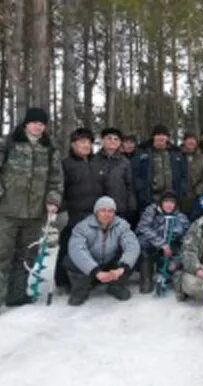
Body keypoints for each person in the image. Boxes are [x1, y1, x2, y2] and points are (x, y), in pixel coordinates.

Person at [0, 107, 63, 320]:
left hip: (34, 214)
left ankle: (16, 294)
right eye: (34, 122)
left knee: (26, 256)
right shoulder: (5, 144)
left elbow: (56, 180)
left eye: (42, 124)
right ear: (26, 123)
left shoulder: (50, 149)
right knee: (0, 257)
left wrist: (53, 200)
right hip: (6, 212)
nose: (38, 126)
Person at [65, 196, 140, 306]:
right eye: (103, 210)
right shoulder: (82, 227)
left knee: (132, 258)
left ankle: (115, 285)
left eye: (110, 211)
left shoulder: (122, 225)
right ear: (96, 212)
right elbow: (77, 250)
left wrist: (122, 268)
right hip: (91, 264)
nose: (107, 214)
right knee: (72, 260)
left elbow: (132, 245)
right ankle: (81, 290)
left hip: (109, 262)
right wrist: (96, 271)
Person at [55, 127, 103, 291]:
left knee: (89, 248)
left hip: (93, 214)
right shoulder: (65, 164)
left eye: (89, 142)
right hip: (73, 214)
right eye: (82, 142)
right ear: (73, 144)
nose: (86, 145)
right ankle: (63, 280)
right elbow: (58, 189)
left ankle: (88, 278)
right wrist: (62, 212)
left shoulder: (95, 163)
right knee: (68, 247)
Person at [136, 192, 190, 294]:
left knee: (177, 261)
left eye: (172, 202)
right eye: (166, 201)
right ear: (161, 202)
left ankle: (166, 273)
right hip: (153, 246)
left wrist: (179, 252)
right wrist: (162, 244)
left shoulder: (181, 217)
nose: (169, 205)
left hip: (171, 248)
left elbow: (187, 235)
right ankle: (146, 279)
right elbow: (143, 227)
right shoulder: (151, 211)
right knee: (143, 247)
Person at [132, 124, 188, 215]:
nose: (161, 137)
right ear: (153, 136)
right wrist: (141, 191)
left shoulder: (176, 153)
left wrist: (181, 190)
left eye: (164, 135)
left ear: (167, 138)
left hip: (172, 199)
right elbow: (135, 174)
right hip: (150, 199)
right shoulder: (142, 152)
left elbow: (184, 174)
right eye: (158, 135)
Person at [92, 127, 137, 224]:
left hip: (119, 210)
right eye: (109, 138)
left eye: (116, 139)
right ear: (103, 140)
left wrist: (131, 207)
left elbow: (130, 186)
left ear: (119, 142)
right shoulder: (93, 160)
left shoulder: (125, 162)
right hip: (98, 210)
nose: (112, 141)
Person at [180, 131, 203, 217]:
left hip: (196, 195)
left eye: (193, 140)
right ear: (184, 141)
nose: (191, 142)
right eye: (188, 140)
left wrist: (198, 191)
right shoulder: (178, 156)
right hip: (180, 195)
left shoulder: (202, 158)